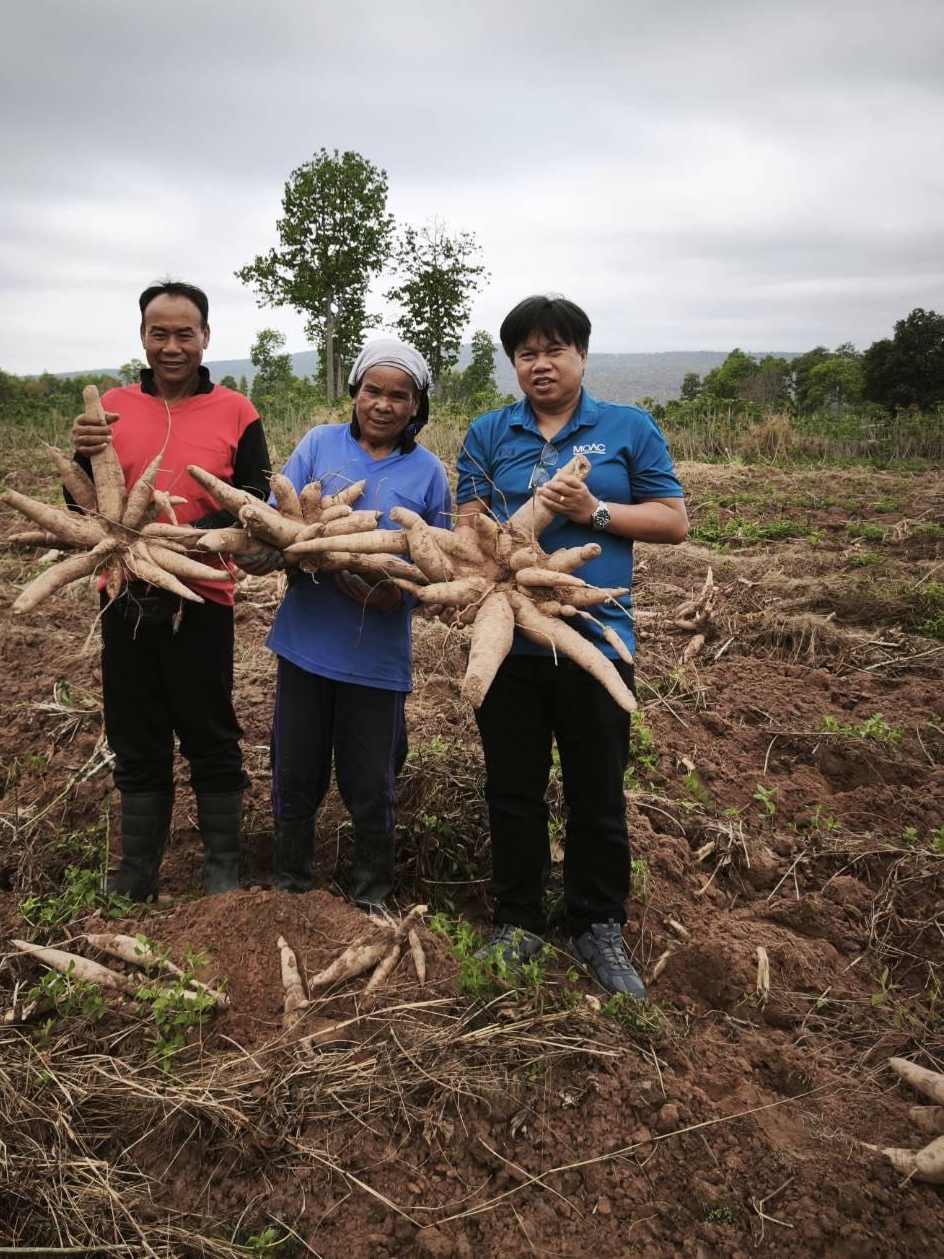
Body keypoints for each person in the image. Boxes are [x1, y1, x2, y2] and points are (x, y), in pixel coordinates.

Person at [455, 295, 688, 996]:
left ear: (582, 355)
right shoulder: (488, 432)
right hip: (508, 638)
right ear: (514, 364)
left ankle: (597, 922)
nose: (541, 364)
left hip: (596, 639)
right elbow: (468, 533)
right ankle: (519, 919)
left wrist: (597, 512)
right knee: (512, 789)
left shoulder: (628, 427)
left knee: (597, 791)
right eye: (526, 353)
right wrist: (524, 528)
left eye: (554, 349)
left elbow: (674, 521)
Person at [69, 280, 272, 901]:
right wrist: (79, 459)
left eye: (185, 333)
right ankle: (137, 875)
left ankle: (222, 874)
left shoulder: (237, 411)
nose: (172, 346)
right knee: (135, 735)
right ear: (143, 337)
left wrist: (184, 539)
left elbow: (255, 500)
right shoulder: (110, 408)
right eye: (160, 333)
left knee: (211, 733)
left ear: (205, 337)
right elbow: (80, 509)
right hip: (123, 594)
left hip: (203, 595)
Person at [264, 337, 451, 909]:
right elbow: (276, 520)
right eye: (373, 390)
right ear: (355, 392)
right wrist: (290, 548)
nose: (383, 405)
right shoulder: (318, 444)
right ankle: (291, 888)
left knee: (372, 782)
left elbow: (441, 566)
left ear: (416, 406)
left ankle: (372, 897)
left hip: (377, 659)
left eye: (399, 396)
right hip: (304, 644)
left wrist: (401, 599)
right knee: (294, 773)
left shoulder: (428, 472)